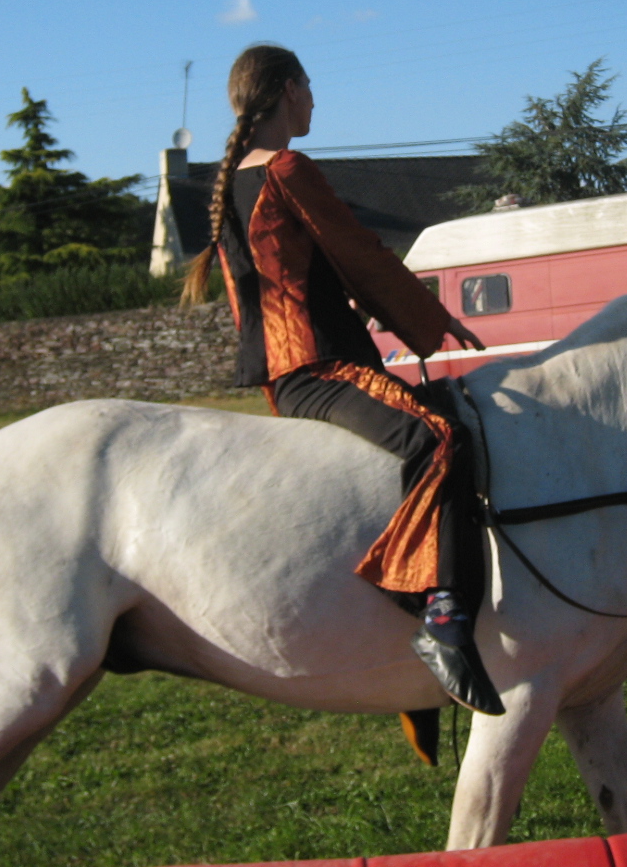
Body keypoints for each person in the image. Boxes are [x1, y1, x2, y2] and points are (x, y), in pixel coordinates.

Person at [181, 44, 504, 716]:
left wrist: (354, 303)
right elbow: (359, 250)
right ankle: (442, 614)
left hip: (284, 372)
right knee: (440, 439)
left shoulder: (230, 179)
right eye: (308, 85)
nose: (315, 99)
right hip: (320, 366)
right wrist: (432, 317)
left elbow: (295, 277)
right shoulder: (286, 168)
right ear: (286, 91)